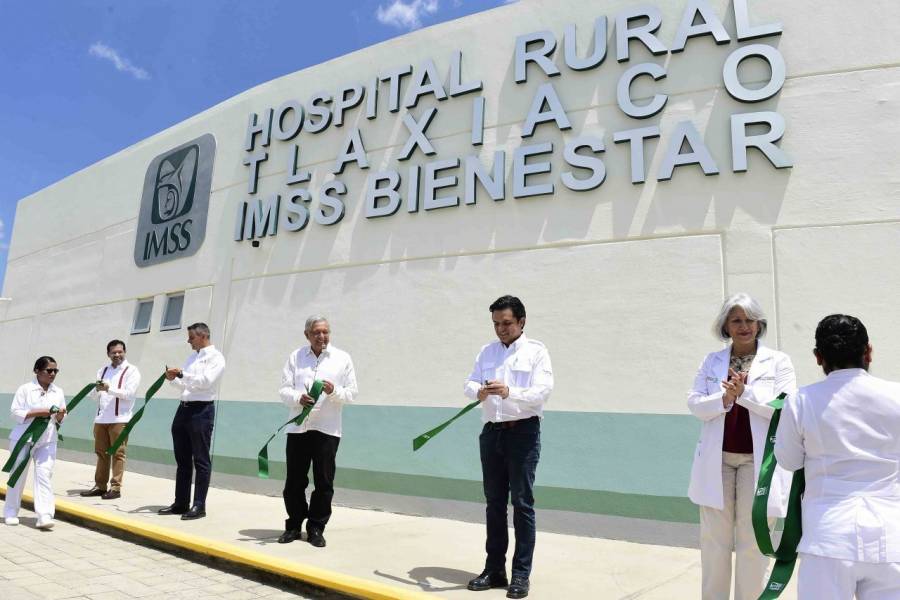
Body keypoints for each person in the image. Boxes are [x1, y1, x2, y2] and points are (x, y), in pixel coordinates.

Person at [775, 315, 900, 599]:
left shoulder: (801, 400)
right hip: (893, 537)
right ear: (868, 351)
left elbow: (789, 461)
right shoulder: (897, 395)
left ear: (818, 358)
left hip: (828, 539)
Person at [687, 293, 796, 600]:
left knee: (753, 542)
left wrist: (744, 394)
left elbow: (784, 407)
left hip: (756, 461)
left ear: (759, 324)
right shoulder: (712, 361)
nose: (744, 326)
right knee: (714, 543)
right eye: (736, 320)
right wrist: (723, 399)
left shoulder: (779, 361)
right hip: (717, 460)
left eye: (749, 320)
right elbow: (694, 403)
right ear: (725, 326)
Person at [464, 295, 553, 600]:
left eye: (506, 323)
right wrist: (478, 391)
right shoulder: (486, 352)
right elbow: (469, 383)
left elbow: (542, 391)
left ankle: (520, 574)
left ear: (521, 322)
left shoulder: (536, 351)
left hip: (523, 433)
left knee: (523, 505)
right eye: (496, 324)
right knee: (494, 503)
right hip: (492, 433)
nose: (501, 329)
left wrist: (509, 392)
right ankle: (494, 568)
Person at [277, 316, 358, 548]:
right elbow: (283, 390)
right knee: (294, 481)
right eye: (316, 333)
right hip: (298, 427)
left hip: (327, 429)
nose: (321, 337)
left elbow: (352, 393)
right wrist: (297, 398)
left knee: (323, 482)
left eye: (325, 332)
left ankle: (316, 527)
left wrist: (334, 391)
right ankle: (293, 525)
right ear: (307, 335)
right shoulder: (296, 357)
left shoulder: (342, 358)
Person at [159, 322, 226, 520]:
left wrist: (181, 374)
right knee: (182, 459)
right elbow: (185, 386)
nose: (188, 341)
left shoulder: (216, 358)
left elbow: (205, 382)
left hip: (201, 411)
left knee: (201, 460)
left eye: (191, 337)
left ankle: (199, 505)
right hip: (184, 410)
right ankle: (181, 502)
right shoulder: (192, 357)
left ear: (203, 336)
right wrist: (172, 378)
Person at [4, 356, 67, 529]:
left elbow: (61, 416)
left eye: (55, 371)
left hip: (47, 439)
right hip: (24, 438)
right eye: (49, 370)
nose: (52, 374)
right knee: (18, 475)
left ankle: (44, 515)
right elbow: (15, 413)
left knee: (44, 475)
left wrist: (60, 415)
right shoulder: (25, 389)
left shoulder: (58, 391)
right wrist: (39, 412)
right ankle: (10, 512)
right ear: (37, 371)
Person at [80, 339, 141, 500]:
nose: (117, 355)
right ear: (108, 354)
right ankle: (100, 486)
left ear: (124, 352)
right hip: (101, 419)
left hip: (120, 418)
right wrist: (94, 389)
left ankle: (115, 487)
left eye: (120, 351)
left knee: (118, 453)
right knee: (101, 453)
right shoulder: (102, 370)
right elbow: (95, 395)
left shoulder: (132, 370)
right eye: (113, 352)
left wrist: (109, 388)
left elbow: (129, 394)